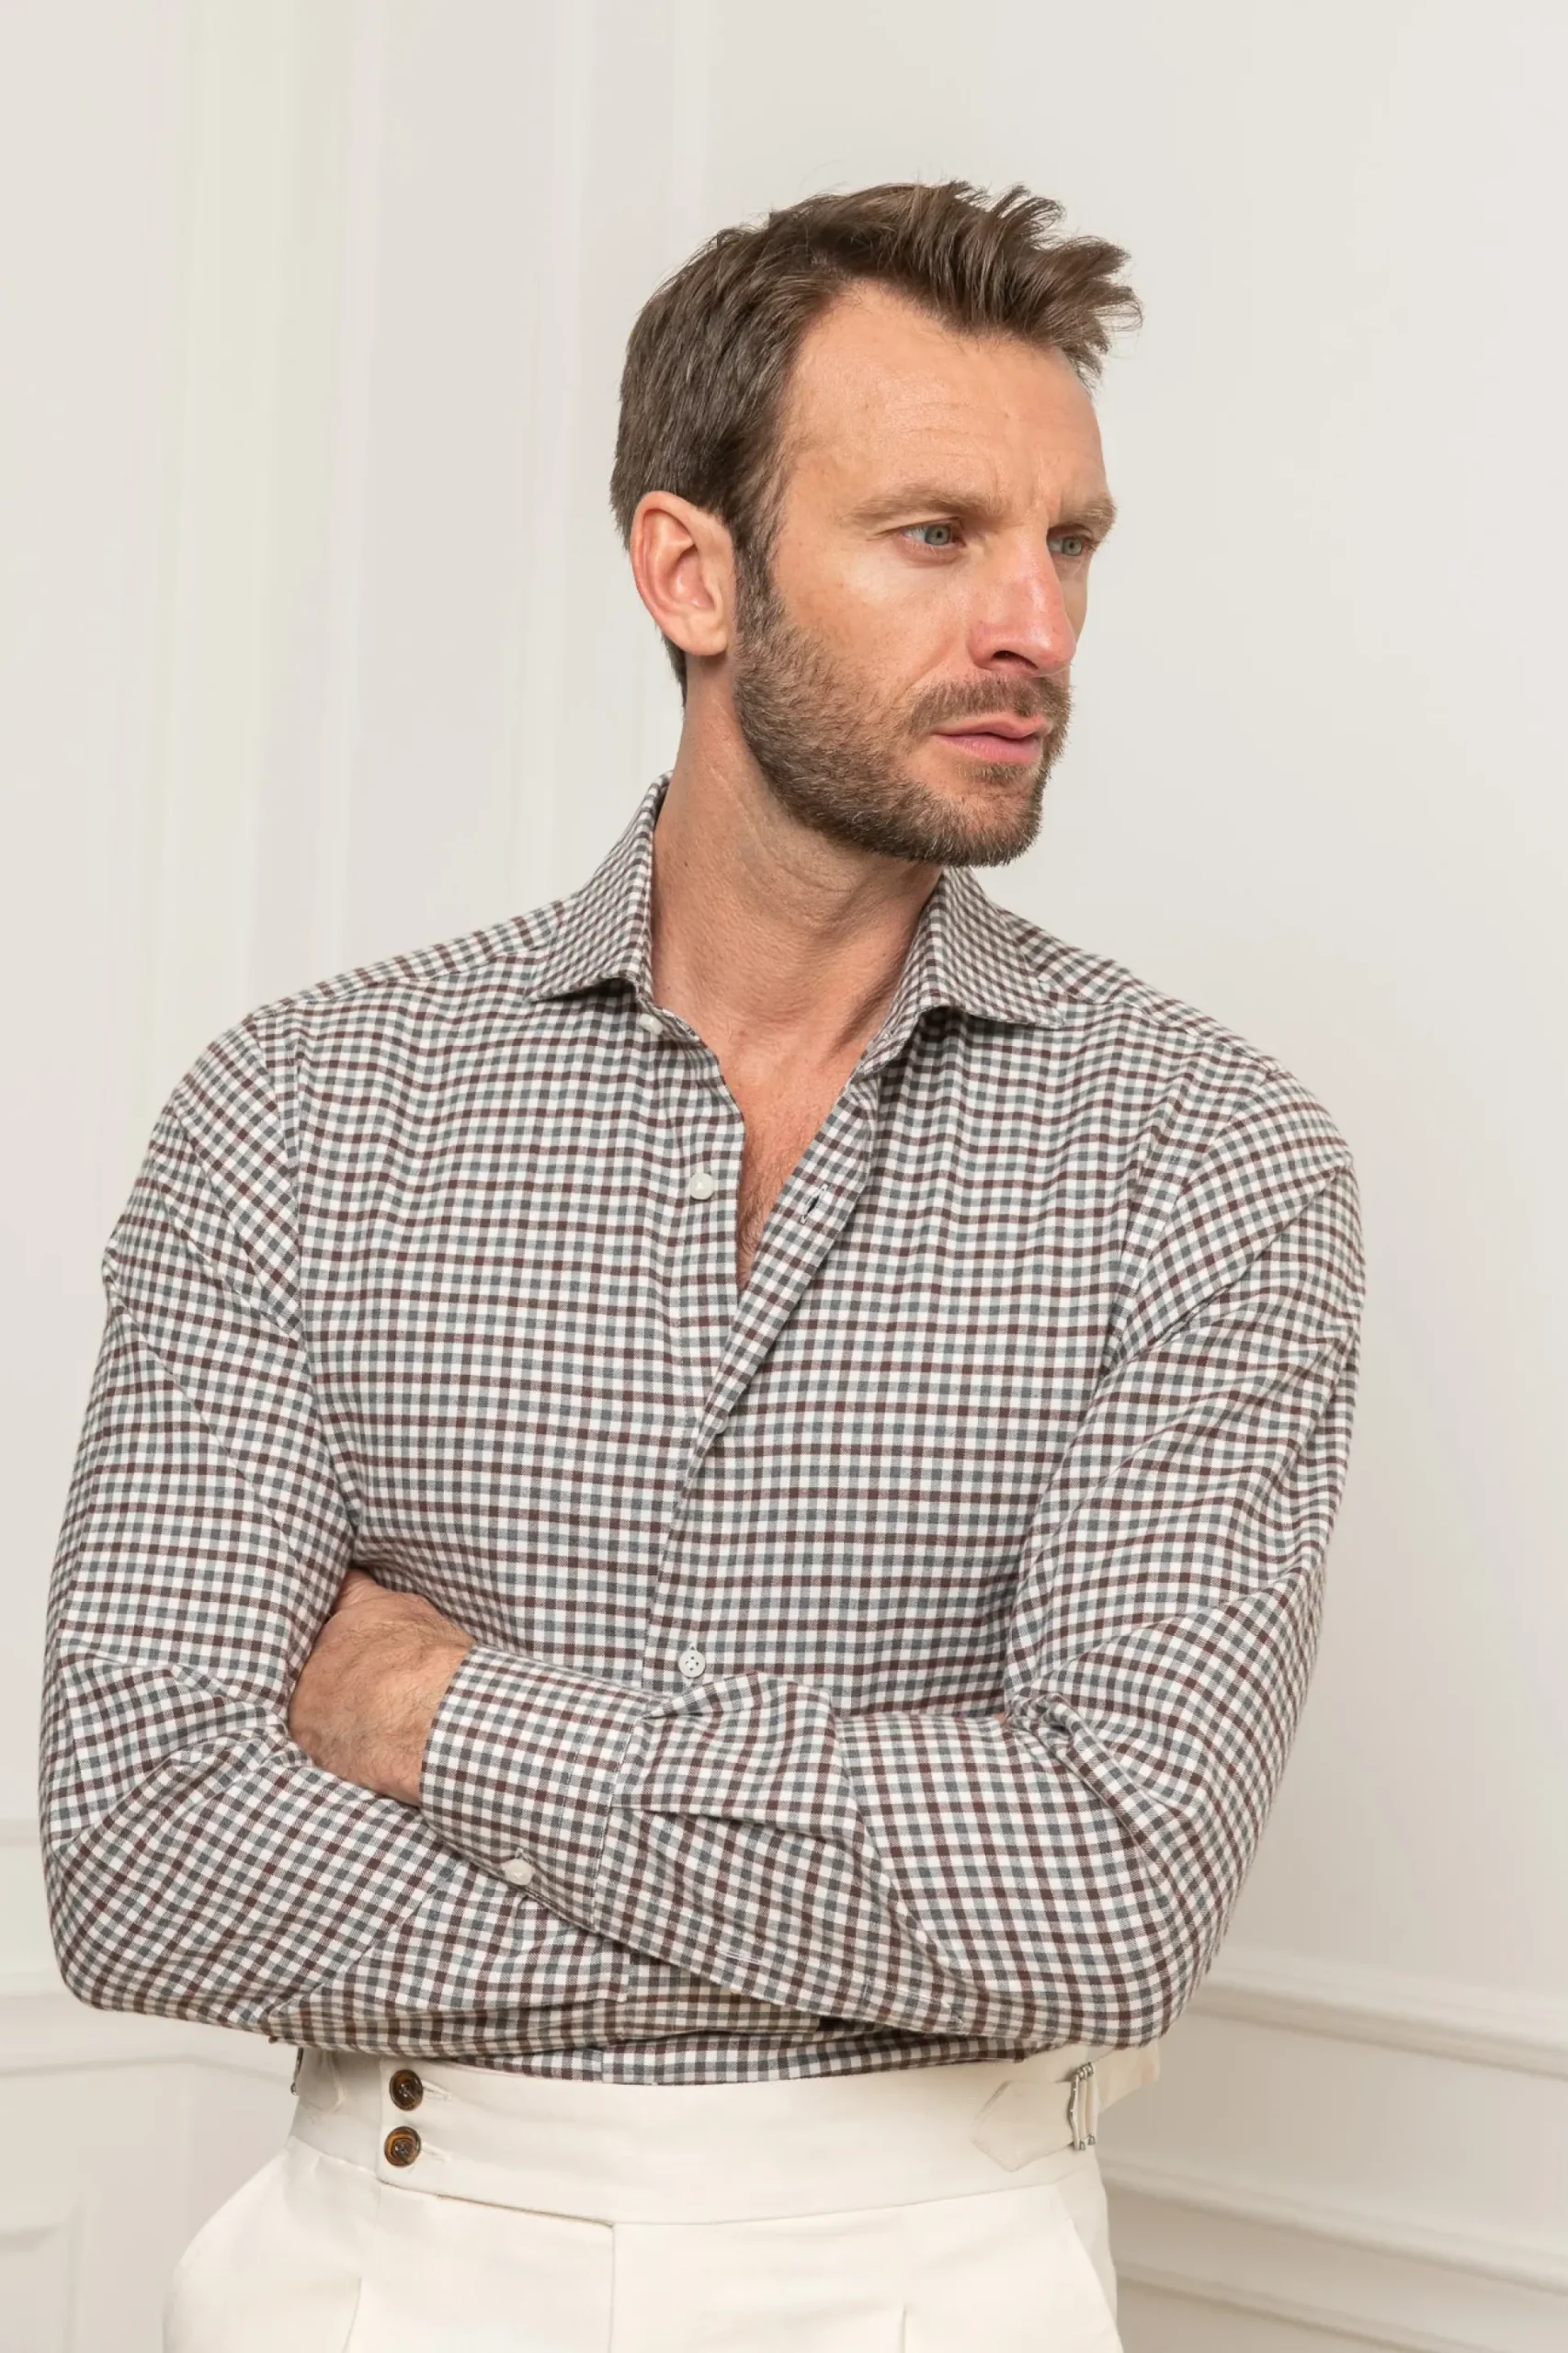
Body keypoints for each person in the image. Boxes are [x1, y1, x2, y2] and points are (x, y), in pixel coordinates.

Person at [40, 180, 1364, 2351]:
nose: (1033, 622)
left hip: (937, 2281)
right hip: (372, 2270)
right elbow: (144, 1847)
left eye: (1070, 543)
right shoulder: (297, 1109)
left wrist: (434, 1707)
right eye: (935, 533)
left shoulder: (1207, 1157)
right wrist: (879, 1938)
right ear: (690, 571)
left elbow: (1112, 1890)